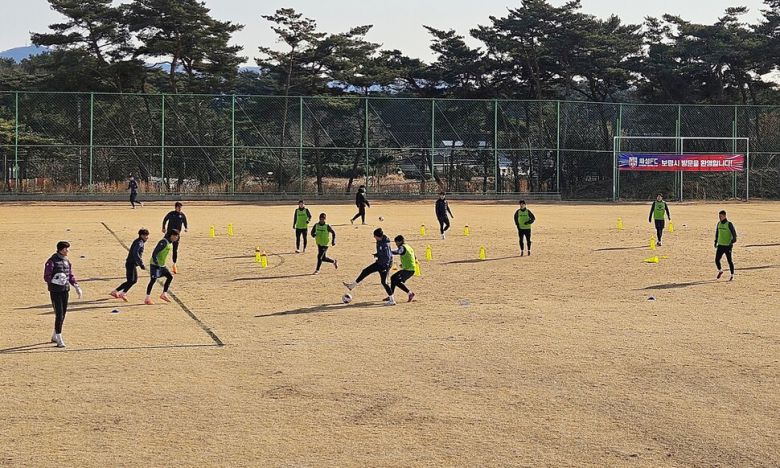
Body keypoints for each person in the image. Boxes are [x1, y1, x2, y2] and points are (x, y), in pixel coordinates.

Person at [43, 241, 82, 348]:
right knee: (59, 314)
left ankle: (54, 335)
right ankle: (59, 338)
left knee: (63, 314)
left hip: (65, 290)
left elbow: (70, 275)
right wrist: (54, 280)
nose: (68, 251)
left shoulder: (66, 261)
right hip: (55, 291)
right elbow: (46, 276)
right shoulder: (51, 261)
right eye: (66, 249)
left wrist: (76, 286)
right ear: (62, 249)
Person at [343, 228, 393, 299]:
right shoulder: (380, 241)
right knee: (368, 272)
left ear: (378, 236)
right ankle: (352, 286)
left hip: (384, 265)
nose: (374, 237)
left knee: (383, 281)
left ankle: (392, 300)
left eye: (374, 236)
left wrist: (385, 267)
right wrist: (378, 255)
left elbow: (388, 257)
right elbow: (383, 253)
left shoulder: (385, 245)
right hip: (380, 263)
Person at [110, 228, 149, 301]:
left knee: (131, 280)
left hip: (131, 263)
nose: (147, 237)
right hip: (131, 263)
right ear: (141, 235)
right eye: (145, 235)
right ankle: (122, 293)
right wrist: (141, 264)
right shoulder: (139, 243)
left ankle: (116, 292)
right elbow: (135, 253)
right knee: (132, 280)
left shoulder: (138, 241)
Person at [145, 229, 179, 305]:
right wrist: (156, 263)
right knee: (153, 280)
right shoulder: (163, 242)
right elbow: (154, 253)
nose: (177, 238)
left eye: (177, 236)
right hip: (155, 264)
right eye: (175, 236)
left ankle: (164, 294)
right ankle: (147, 298)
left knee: (170, 277)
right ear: (171, 235)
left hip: (162, 265)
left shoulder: (170, 243)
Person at [386, 235, 416, 305]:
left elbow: (398, 252)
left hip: (408, 269)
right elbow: (414, 257)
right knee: (393, 278)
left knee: (397, 281)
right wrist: (405, 263)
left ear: (400, 241)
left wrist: (388, 252)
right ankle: (391, 295)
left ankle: (410, 293)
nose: (396, 245)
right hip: (409, 268)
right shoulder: (408, 246)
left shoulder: (402, 247)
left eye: (396, 243)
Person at [161, 202, 188, 274]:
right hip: (169, 234)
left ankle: (174, 264)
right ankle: (160, 262)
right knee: (163, 247)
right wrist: (163, 228)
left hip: (176, 235)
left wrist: (186, 228)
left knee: (175, 250)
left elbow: (185, 222)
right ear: (175, 207)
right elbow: (165, 219)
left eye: (181, 207)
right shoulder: (171, 214)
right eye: (178, 207)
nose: (180, 209)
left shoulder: (182, 215)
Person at [715, 210, 737, 281]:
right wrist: (715, 241)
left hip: (727, 246)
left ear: (725, 216)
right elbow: (717, 233)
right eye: (719, 216)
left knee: (729, 261)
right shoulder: (719, 224)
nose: (720, 218)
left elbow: (734, 234)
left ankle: (732, 275)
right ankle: (720, 271)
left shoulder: (729, 224)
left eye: (721, 216)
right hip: (720, 245)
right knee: (717, 260)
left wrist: (732, 241)